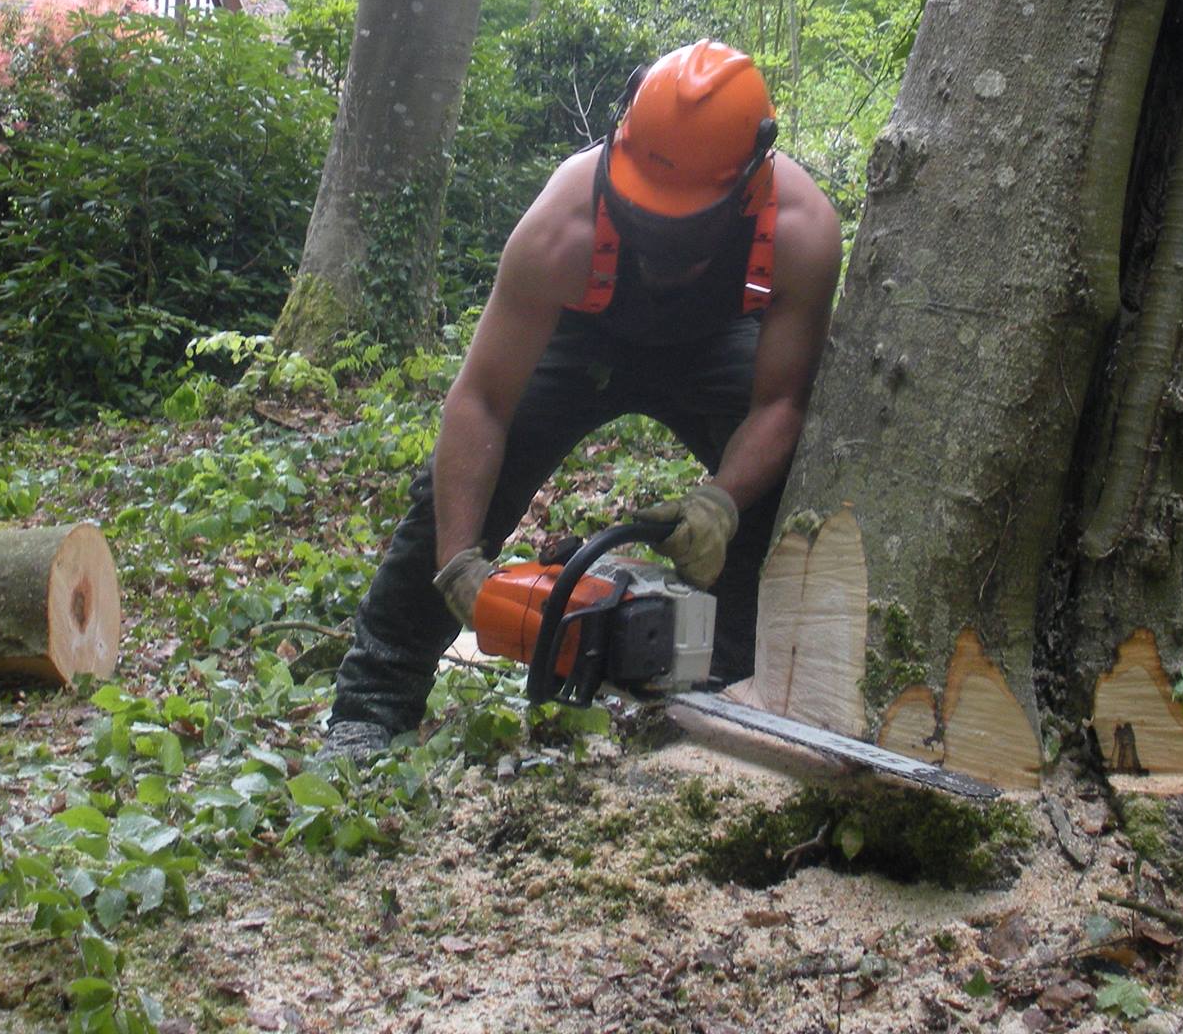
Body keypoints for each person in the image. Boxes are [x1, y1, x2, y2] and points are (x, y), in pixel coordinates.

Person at [322, 39, 843, 757]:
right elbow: (481, 402)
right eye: (647, 212)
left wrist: (721, 501)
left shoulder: (801, 232)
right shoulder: (563, 224)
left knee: (770, 499)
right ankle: (373, 702)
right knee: (463, 485)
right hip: (586, 332)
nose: (662, 240)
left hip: (718, 340)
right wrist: (458, 563)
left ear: (751, 175)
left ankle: (720, 688)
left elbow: (781, 403)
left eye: (683, 221)